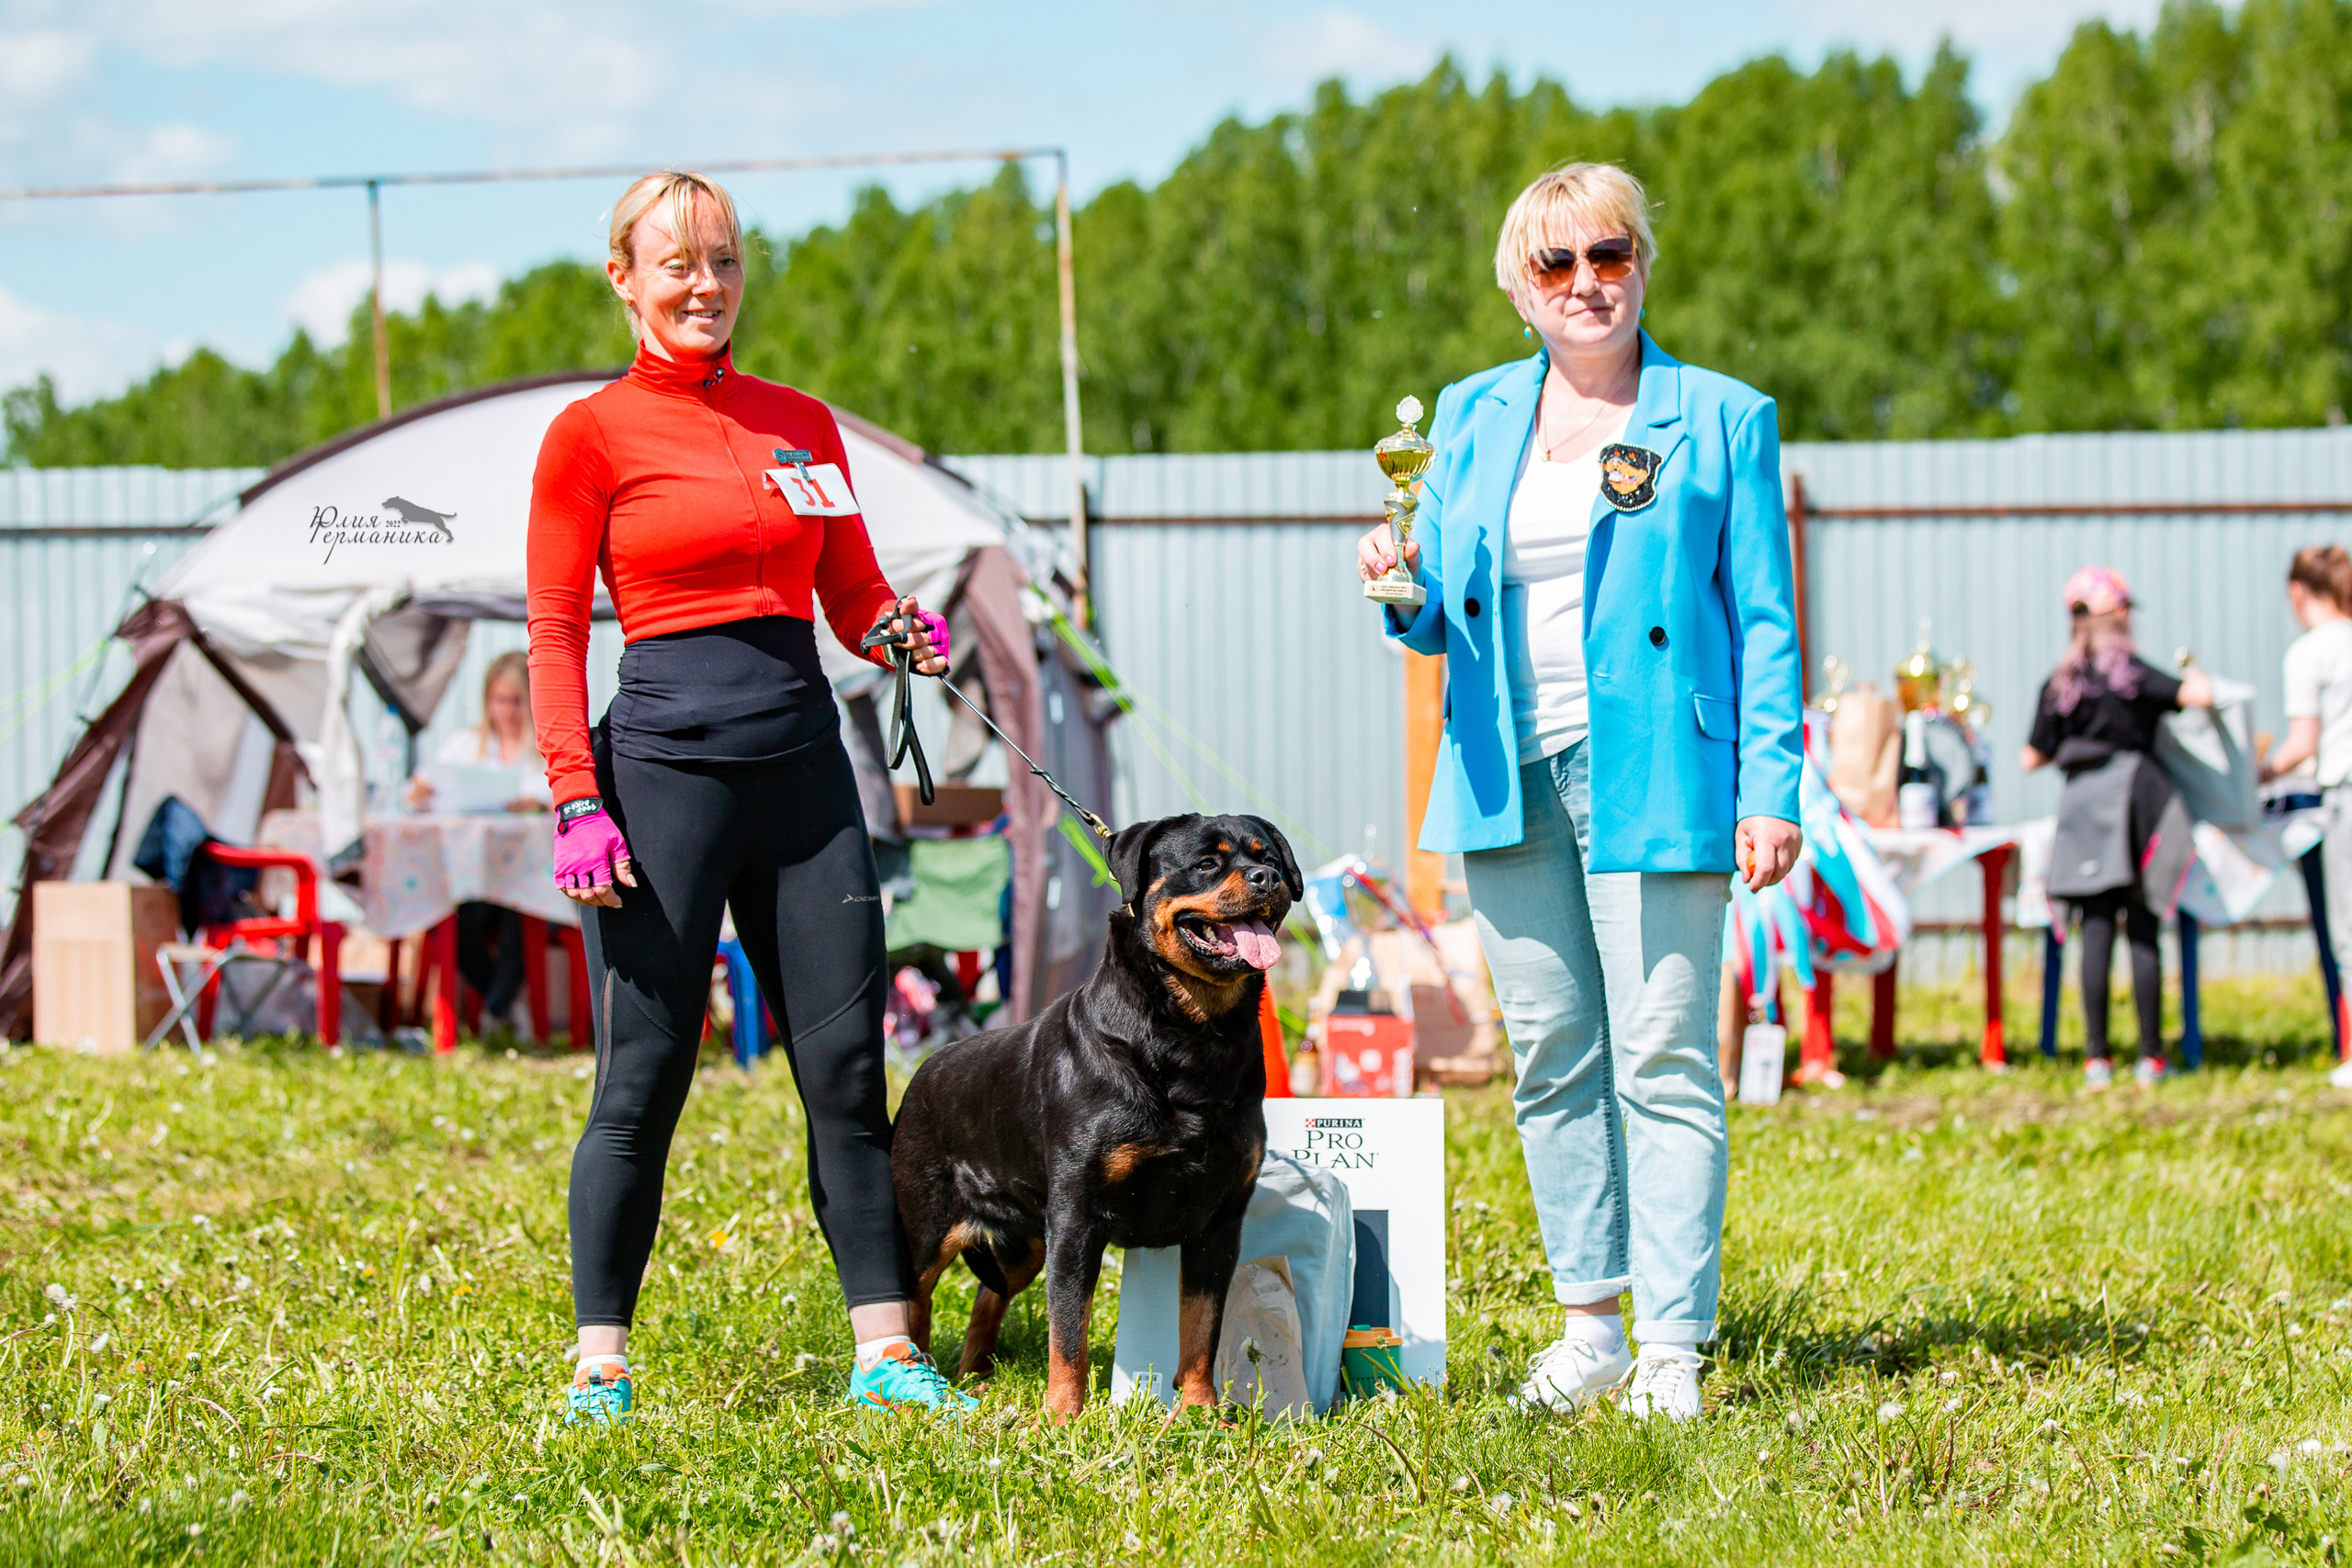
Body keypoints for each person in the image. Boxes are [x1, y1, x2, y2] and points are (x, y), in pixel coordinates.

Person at [1356, 162, 1804, 1423]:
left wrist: (1770, 787)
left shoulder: (1721, 416)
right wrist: (1400, 581)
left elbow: (1765, 620)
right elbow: (1438, 620)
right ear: (1520, 288)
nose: (1586, 283)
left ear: (1643, 264)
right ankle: (1590, 1328)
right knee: (1552, 1052)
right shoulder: (1469, 414)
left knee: (1663, 1052)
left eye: (1609, 255)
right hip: (1507, 767)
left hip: (1659, 766)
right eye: (1556, 265)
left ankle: (1672, 1342)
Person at [527, 170, 963, 1424]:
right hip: (658, 780)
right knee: (642, 1079)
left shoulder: (802, 424)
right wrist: (577, 798)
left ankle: (886, 1351)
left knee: (843, 1072)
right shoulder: (591, 434)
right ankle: (600, 1362)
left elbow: (850, 591)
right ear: (624, 276)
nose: (704, 285)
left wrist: (895, 630)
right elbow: (553, 630)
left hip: (805, 777)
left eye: (721, 261)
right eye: (677, 264)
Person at [2021, 566, 2213, 1089]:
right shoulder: (2134, 675)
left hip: (2085, 807)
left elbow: (2029, 756)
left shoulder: (2060, 685)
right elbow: (2197, 695)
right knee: (2145, 927)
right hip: (2138, 803)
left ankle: (2096, 1058)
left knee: (2097, 929)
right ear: (2118, 617)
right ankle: (2151, 1056)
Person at [405, 651, 549, 1033]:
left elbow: (555, 799)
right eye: (500, 700)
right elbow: (421, 788)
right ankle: (499, 1006)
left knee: (523, 910)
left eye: (516, 700)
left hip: (528, 878)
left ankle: (499, 1008)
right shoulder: (464, 746)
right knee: (449, 918)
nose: (507, 711)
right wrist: (423, 791)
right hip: (471, 877)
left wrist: (534, 804)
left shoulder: (545, 750)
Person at [2261, 547, 2352, 1089]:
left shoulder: (2309, 653)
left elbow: (2303, 743)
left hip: (2346, 791)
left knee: (2348, 927)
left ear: (2298, 591)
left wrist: (2259, 771)